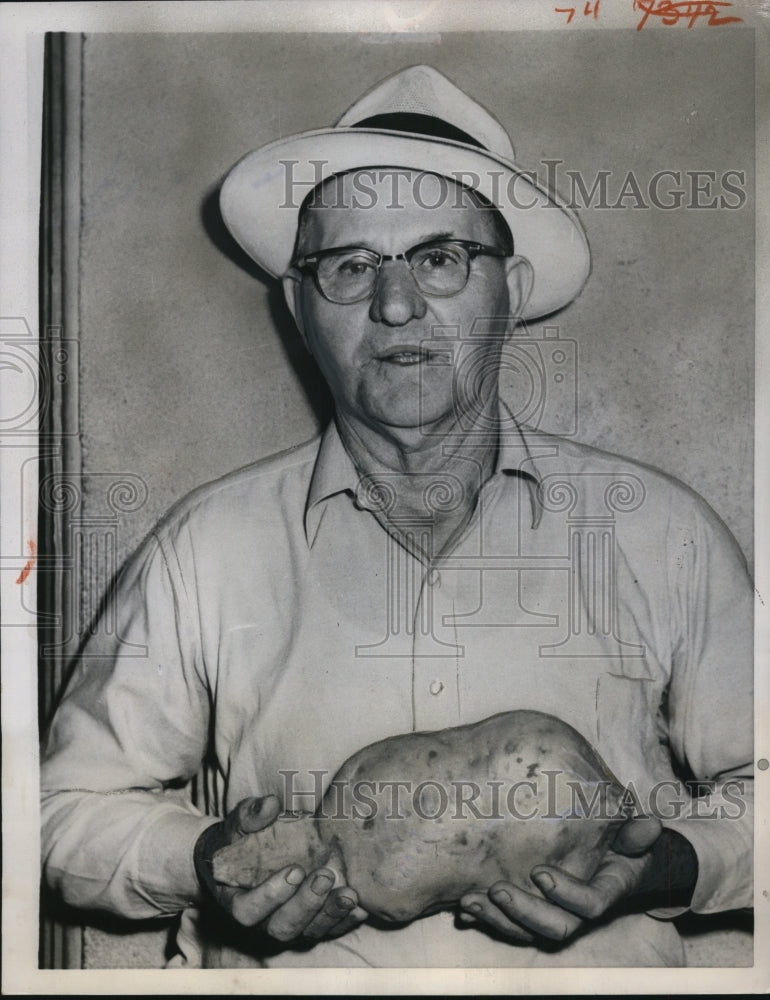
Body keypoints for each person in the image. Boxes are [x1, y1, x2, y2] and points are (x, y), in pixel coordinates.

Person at [40, 65, 753, 969]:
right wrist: (207, 861)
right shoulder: (205, 550)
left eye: (439, 257)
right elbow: (62, 814)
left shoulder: (662, 533)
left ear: (511, 290)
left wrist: (670, 865)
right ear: (302, 310)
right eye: (349, 267)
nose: (395, 303)